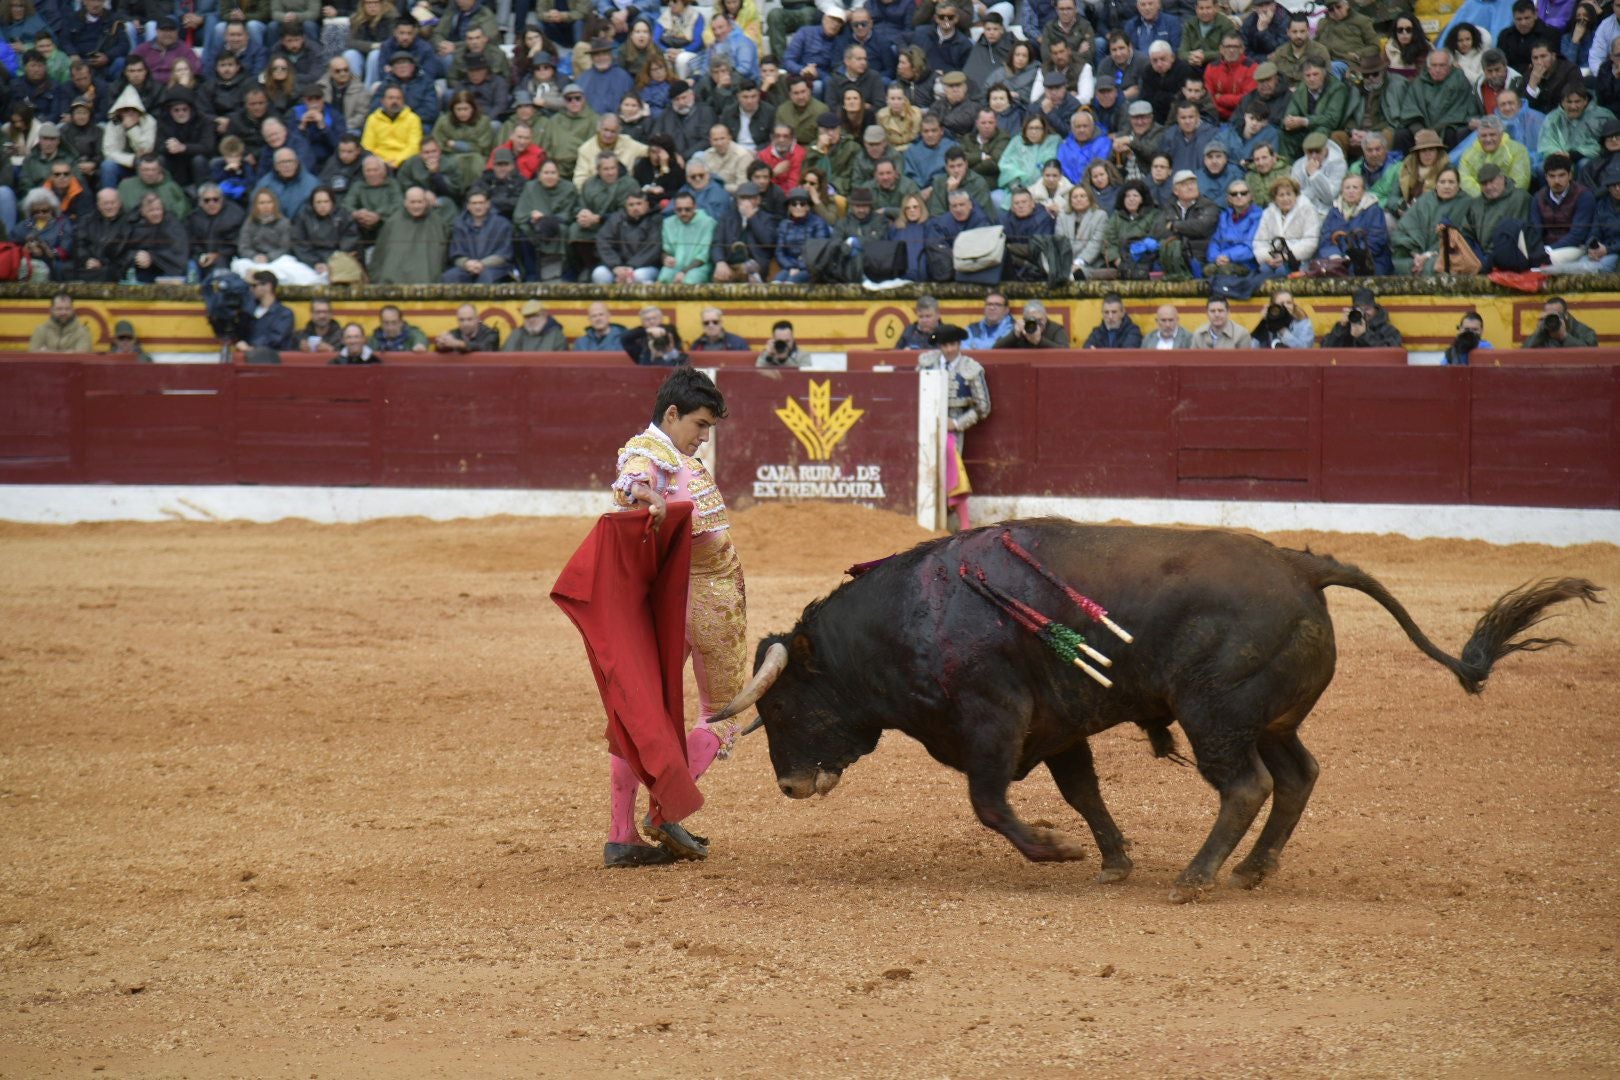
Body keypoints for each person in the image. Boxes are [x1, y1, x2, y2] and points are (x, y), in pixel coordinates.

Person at [560, 367, 747, 867]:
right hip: (705, 601)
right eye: (700, 425)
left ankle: (622, 834)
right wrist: (647, 498)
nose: (704, 437)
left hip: (668, 604)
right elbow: (631, 482)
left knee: (637, 714)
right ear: (672, 413)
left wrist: (651, 497)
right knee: (724, 715)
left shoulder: (668, 453)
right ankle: (665, 811)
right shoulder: (654, 452)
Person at [915, 323, 989, 533]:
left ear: (959, 343)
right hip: (926, 424)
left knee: (951, 468)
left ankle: (963, 524)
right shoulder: (925, 363)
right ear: (939, 345)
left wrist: (956, 423)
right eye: (945, 345)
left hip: (953, 427)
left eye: (953, 344)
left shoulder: (971, 368)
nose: (949, 349)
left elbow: (983, 407)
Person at [232, 271, 295, 355]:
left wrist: (253, 346)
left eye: (254, 285)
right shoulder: (249, 311)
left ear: (267, 286)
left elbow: (275, 337)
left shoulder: (284, 313)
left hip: (273, 358)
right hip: (249, 356)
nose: (251, 289)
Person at [1321, 286, 1404, 348]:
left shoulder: (1389, 331)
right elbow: (1326, 349)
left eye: (1367, 309)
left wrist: (1364, 336)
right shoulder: (1347, 328)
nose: (1363, 313)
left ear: (1376, 309)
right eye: (1359, 309)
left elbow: (1390, 353)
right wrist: (1340, 327)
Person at [28, 291, 92, 352]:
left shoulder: (83, 332)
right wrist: (69, 353)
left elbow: (80, 357)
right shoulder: (40, 330)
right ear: (51, 310)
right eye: (59, 309)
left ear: (72, 310)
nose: (63, 312)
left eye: (67, 309)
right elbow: (33, 355)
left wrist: (47, 352)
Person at [622, 305, 687, 365]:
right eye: (647, 319)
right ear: (642, 321)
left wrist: (661, 331)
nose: (652, 321)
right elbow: (624, 338)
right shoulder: (639, 334)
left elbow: (671, 334)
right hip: (646, 367)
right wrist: (646, 331)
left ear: (661, 319)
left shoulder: (670, 329)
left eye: (654, 318)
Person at [1525, 296, 1600, 347]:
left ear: (1566, 315)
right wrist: (1538, 332)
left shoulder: (1584, 331)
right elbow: (1523, 354)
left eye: (1555, 315)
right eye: (1549, 316)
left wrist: (1564, 337)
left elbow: (1591, 355)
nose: (1552, 319)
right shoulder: (1544, 330)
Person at [1251, 290, 1316, 348]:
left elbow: (1305, 349)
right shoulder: (1266, 324)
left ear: (1293, 305)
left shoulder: (1304, 324)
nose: (1286, 306)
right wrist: (1262, 321)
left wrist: (1283, 331)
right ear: (1273, 307)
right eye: (1281, 304)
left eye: (1289, 303)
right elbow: (1252, 348)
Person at [995, 300, 1071, 348]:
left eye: (1040, 320)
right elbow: (995, 349)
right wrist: (1014, 335)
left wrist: (1040, 341)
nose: (1037, 324)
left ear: (1046, 317)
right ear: (1024, 320)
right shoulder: (1020, 328)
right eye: (1032, 320)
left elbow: (1065, 352)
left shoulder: (1055, 329)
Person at [504, 299, 569, 352]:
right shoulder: (516, 334)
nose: (531, 320)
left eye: (535, 316)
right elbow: (506, 359)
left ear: (544, 314)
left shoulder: (556, 336)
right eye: (528, 317)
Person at [434, 303, 501, 352]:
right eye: (461, 320)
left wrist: (458, 344)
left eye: (469, 319)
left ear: (477, 319)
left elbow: (483, 347)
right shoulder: (453, 334)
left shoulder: (491, 334)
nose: (465, 324)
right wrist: (442, 344)